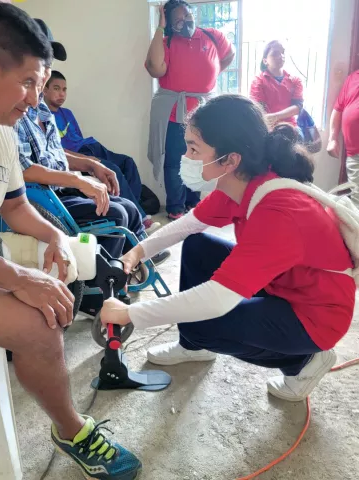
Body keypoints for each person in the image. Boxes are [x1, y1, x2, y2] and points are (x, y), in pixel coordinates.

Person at [0, 3, 141, 479]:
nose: (36, 98)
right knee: (37, 322)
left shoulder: (2, 127)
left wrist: (56, 236)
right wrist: (15, 277)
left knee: (76, 267)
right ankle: (71, 430)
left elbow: (14, 206)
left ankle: (30, 356)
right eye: (30, 82)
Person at [100, 95, 355, 402]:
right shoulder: (241, 182)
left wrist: (131, 313)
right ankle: (194, 347)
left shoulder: (280, 210)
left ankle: (304, 361)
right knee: (198, 246)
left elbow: (216, 299)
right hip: (285, 285)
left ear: (231, 159)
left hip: (314, 315)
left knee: (204, 322)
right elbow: (188, 225)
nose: (186, 156)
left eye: (194, 148)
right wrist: (137, 252)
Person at [146, 0, 235, 220]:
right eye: (177, 20)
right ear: (168, 24)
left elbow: (229, 55)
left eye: (186, 15)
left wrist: (210, 77)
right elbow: (155, 68)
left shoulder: (213, 36)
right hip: (174, 112)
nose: (184, 21)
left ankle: (193, 203)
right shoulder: (166, 42)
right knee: (175, 160)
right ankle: (176, 207)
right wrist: (160, 27)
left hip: (203, 114)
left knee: (198, 160)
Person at [43, 70, 160, 234]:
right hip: (78, 154)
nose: (61, 94)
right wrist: (87, 160)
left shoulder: (67, 113)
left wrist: (90, 155)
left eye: (64, 89)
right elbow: (57, 150)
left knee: (128, 162)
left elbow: (79, 138)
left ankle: (136, 211)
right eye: (56, 88)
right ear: (44, 89)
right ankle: (141, 221)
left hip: (91, 146)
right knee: (113, 170)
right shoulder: (43, 117)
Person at [250, 40, 304, 130]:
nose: (281, 56)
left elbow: (298, 107)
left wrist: (275, 116)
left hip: (290, 127)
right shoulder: (258, 81)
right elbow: (259, 110)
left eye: (282, 52)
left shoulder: (295, 81)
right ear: (265, 60)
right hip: (266, 128)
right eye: (275, 53)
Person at [327, 70, 359, 207]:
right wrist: (332, 138)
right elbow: (338, 109)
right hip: (354, 155)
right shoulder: (353, 78)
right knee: (357, 200)